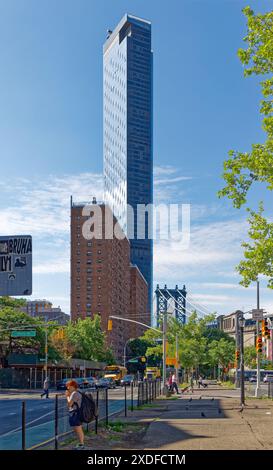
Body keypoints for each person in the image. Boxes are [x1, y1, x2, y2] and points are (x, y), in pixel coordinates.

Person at [66, 379, 85, 450]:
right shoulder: (78, 392)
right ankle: (81, 444)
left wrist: (67, 396)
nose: (67, 388)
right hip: (77, 412)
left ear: (72, 386)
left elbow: (69, 404)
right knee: (78, 429)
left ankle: (81, 445)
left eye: (68, 386)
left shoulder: (74, 393)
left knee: (78, 429)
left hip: (75, 413)